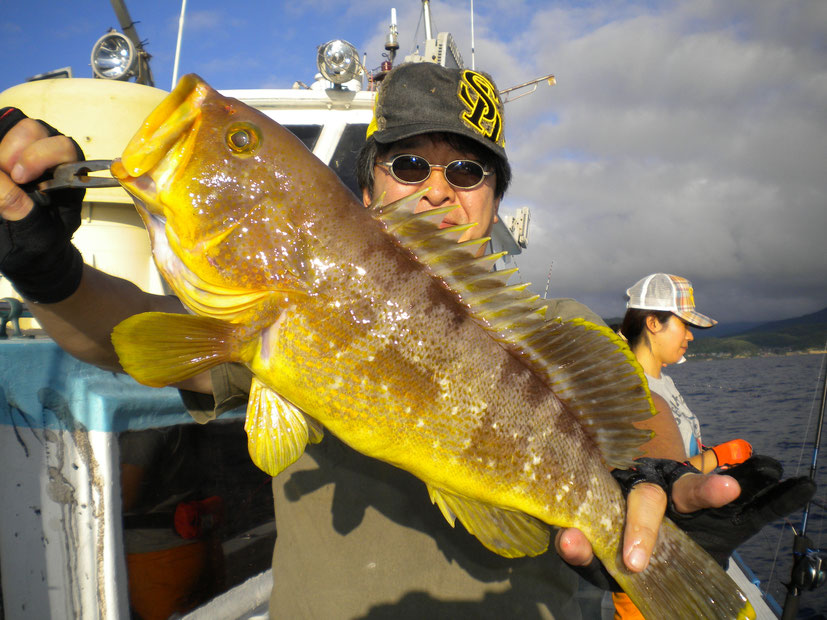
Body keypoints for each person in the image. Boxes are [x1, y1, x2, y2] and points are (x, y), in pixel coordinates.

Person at [0, 64, 805, 618]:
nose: (435, 190)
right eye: (410, 161)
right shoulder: (266, 321)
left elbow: (642, 441)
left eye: (467, 173)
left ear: (493, 198)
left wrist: (655, 497)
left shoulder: (558, 331)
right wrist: (46, 268)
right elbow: (124, 339)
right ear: (367, 180)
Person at [620, 273, 753, 474]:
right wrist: (718, 456)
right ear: (653, 323)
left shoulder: (665, 382)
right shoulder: (630, 390)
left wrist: (707, 453)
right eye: (684, 324)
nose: (690, 336)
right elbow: (658, 477)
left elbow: (674, 454)